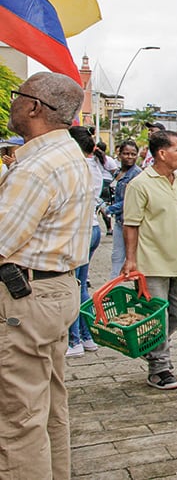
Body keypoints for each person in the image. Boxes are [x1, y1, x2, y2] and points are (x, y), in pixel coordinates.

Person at [0, 73, 91, 479]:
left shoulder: (37, 168)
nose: (13, 104)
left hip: (25, 298)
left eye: (18, 97)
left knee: (17, 418)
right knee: (49, 403)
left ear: (35, 107)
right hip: (53, 292)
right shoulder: (67, 154)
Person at [121, 130, 177, 390]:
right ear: (162, 153)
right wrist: (130, 260)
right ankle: (159, 368)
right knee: (156, 316)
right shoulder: (140, 184)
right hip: (151, 261)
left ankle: (150, 345)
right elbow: (130, 224)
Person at [65, 126, 104, 357]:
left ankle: (74, 341)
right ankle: (86, 337)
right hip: (92, 228)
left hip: (79, 232)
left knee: (73, 288)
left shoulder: (76, 166)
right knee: (80, 287)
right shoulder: (94, 166)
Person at [106, 140, 142, 276]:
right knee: (116, 257)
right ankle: (112, 289)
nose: (130, 157)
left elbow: (130, 201)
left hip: (131, 222)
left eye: (133, 154)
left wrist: (109, 209)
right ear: (119, 154)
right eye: (126, 154)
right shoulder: (118, 172)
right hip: (120, 222)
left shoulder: (137, 174)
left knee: (132, 259)